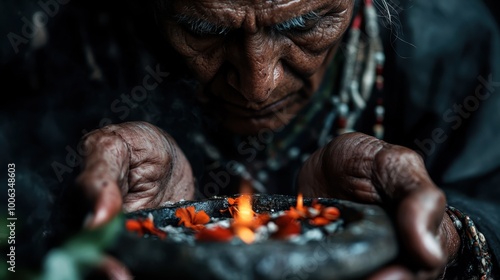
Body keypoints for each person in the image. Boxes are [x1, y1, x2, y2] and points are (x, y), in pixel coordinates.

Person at [9, 0, 496, 278]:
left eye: (304, 25)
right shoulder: (58, 39)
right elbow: (9, 216)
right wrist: (65, 222)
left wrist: (450, 237)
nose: (258, 83)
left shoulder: (451, 42)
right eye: (201, 30)